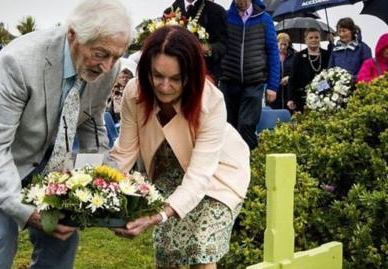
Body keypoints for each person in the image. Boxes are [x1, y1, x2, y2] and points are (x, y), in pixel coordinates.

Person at [0, 0, 132, 268]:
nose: (108, 67)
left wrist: (108, 185)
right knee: (0, 240)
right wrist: (27, 213)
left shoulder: (109, 69)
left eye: (116, 57)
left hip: (47, 165)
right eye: (100, 54)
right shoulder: (20, 61)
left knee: (63, 238)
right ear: (72, 34)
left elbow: (90, 121)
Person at [111, 26, 250, 269]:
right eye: (157, 76)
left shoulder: (212, 100)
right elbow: (124, 153)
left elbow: (199, 176)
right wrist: (104, 193)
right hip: (165, 171)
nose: (165, 86)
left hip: (217, 174)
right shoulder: (134, 92)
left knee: (201, 246)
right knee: (168, 251)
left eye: (176, 78)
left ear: (192, 75)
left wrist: (160, 215)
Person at [219, 0, 280, 150]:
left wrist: (273, 85)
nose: (241, 2)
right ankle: (230, 166)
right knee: (228, 128)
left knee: (246, 125)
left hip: (254, 82)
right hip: (229, 81)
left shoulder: (264, 19)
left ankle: (250, 164)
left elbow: (273, 52)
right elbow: (219, 47)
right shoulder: (226, 17)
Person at [164, 0, 229, 82]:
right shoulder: (171, 10)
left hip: (204, 76)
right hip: (175, 75)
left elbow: (222, 44)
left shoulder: (216, 11)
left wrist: (208, 49)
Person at [287, 28, 330, 113]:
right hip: (302, 99)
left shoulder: (327, 55)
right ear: (305, 40)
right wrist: (290, 98)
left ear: (320, 39)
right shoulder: (298, 56)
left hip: (323, 96)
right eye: (311, 38)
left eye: (316, 37)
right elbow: (292, 78)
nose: (314, 40)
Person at [269, 32, 295, 110]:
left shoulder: (294, 56)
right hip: (275, 92)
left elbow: (296, 72)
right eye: (281, 44)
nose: (283, 47)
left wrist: (289, 78)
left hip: (288, 93)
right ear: (277, 43)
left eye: (285, 44)